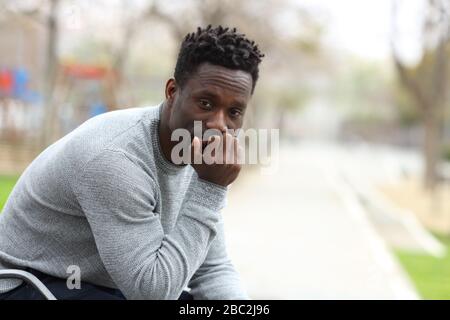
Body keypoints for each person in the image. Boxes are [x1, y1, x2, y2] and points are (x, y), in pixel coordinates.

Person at [0, 25, 264, 300]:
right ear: (172, 92)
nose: (219, 125)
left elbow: (213, 269)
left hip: (93, 283)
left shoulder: (198, 156)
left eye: (234, 112)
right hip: (26, 283)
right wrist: (210, 190)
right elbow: (152, 293)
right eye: (206, 104)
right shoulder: (115, 158)